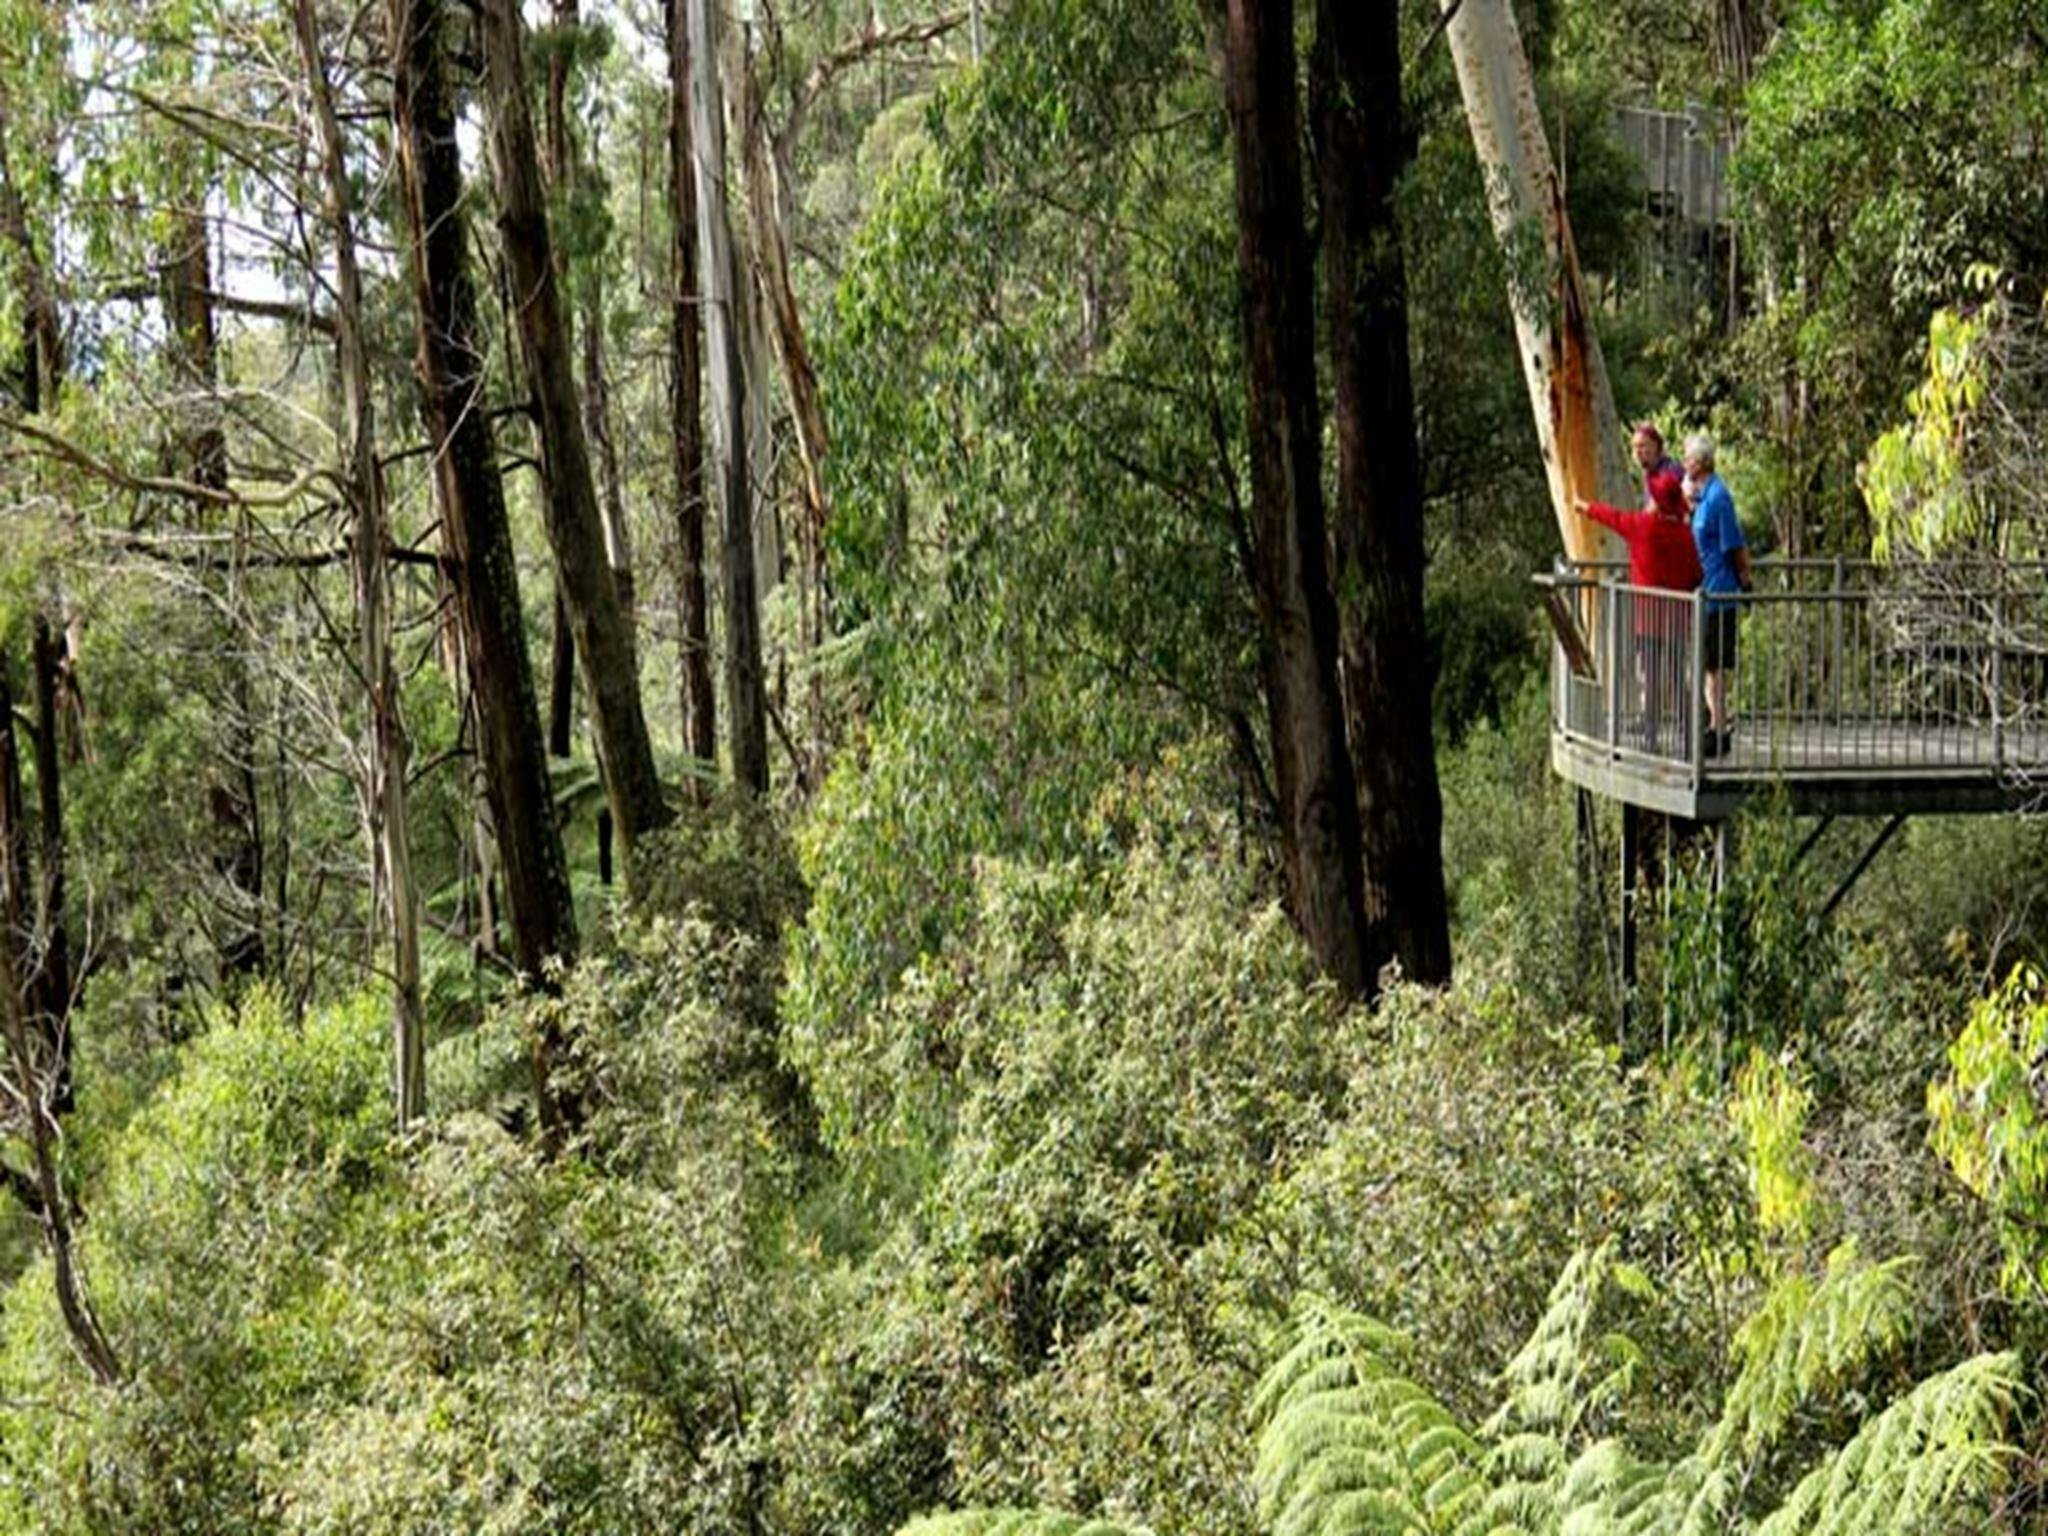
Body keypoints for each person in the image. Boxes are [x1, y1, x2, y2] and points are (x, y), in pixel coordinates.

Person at [1575, 468, 1701, 752]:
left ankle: (1651, 738)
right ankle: (1688, 738)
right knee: (1679, 677)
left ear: (1656, 501)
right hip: (1678, 619)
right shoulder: (1684, 534)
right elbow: (1696, 573)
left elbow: (1613, 517)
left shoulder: (1643, 527)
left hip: (1647, 619)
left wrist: (1584, 507)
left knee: (1651, 680)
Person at [1682, 432, 1751, 758]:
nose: (1684, 463)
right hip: (1703, 593)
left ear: (1701, 462)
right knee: (1706, 665)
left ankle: (1719, 729)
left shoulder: (1719, 497)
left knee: (1714, 667)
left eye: (1688, 458)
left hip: (1719, 593)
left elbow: (1734, 545)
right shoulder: (1702, 496)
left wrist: (1745, 580)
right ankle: (1713, 726)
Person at [1632, 421, 1681, 498]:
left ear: (1655, 446)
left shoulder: (1672, 471)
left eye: (1642, 446)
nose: (1637, 452)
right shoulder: (1649, 473)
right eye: (1634, 447)